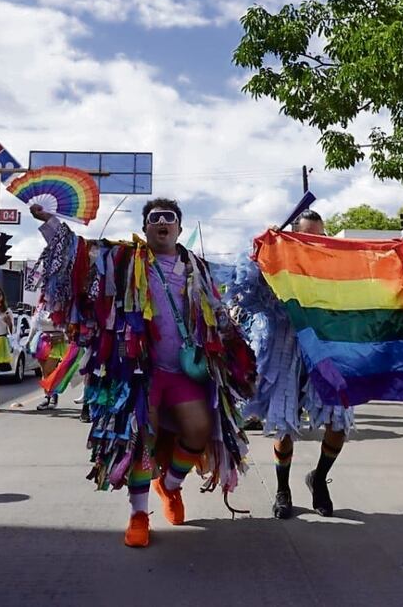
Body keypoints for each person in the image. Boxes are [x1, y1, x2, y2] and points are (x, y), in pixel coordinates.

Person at [28, 198, 255, 548]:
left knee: (200, 430)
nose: (162, 223)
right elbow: (80, 254)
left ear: (179, 228)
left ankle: (171, 486)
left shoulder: (199, 268)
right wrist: (51, 223)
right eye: (154, 219)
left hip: (184, 371)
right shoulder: (122, 259)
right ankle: (138, 513)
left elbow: (228, 302)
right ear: (146, 227)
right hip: (137, 370)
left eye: (169, 218)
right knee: (139, 437)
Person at [237, 210, 353, 519]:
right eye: (305, 236)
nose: (314, 241)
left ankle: (319, 478)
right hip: (284, 347)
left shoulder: (334, 266)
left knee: (339, 422)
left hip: (325, 348)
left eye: (319, 235)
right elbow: (250, 292)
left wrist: (402, 252)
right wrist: (264, 247)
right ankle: (282, 489)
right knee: (284, 423)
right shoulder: (276, 261)